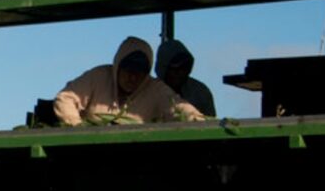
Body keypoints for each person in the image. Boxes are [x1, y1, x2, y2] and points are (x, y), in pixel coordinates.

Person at [54, 36, 205, 126]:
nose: (133, 78)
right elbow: (65, 98)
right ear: (118, 67)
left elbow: (179, 108)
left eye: (139, 73)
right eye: (128, 70)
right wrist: (78, 128)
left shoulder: (155, 89)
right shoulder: (98, 77)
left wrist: (199, 122)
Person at [154, 38, 216, 117]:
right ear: (163, 69)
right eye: (174, 69)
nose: (180, 73)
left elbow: (210, 124)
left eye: (184, 67)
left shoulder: (200, 93)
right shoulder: (148, 93)